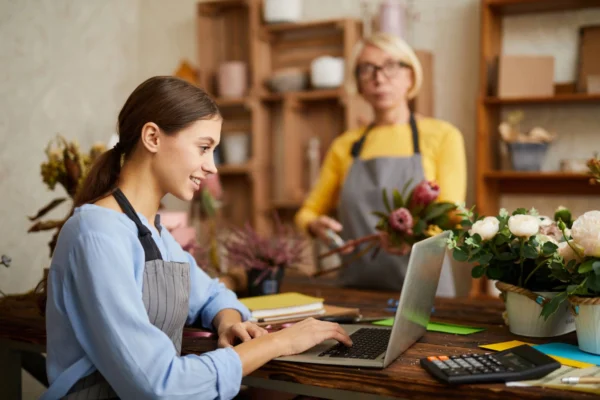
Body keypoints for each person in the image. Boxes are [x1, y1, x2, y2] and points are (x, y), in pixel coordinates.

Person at [42, 76, 352, 400]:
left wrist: (229, 322)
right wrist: (277, 342)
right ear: (152, 137)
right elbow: (159, 385)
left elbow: (212, 295)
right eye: (204, 148)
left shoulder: (155, 235)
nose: (212, 167)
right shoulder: (97, 236)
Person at [295, 32, 467, 292]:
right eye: (367, 69)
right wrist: (314, 225)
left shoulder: (443, 136)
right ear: (359, 83)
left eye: (390, 66)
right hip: (358, 289)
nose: (379, 77)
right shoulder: (345, 146)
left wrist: (414, 238)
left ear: (410, 76)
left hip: (424, 287)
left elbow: (453, 215)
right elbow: (306, 213)